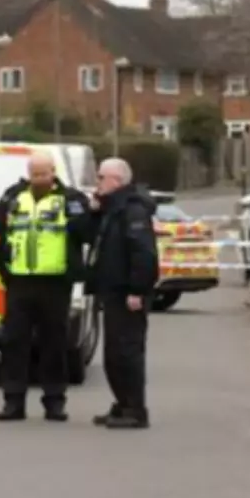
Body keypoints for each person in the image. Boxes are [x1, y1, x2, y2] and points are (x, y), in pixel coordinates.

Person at [0, 151, 90, 422]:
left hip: (55, 282)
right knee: (14, 343)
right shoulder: (14, 195)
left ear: (53, 172)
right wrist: (3, 218)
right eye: (35, 174)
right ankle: (13, 401)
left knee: (54, 344)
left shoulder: (70, 198)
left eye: (44, 174)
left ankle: (54, 402)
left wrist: (79, 217)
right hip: (19, 280)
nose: (39, 179)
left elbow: (88, 231)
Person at [86, 157, 158, 429]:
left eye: (101, 177)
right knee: (113, 354)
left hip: (127, 293)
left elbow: (143, 253)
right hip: (112, 291)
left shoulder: (132, 210)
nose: (97, 183)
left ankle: (135, 409)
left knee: (127, 352)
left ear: (116, 181)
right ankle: (122, 402)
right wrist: (95, 212)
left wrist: (137, 289)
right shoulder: (112, 208)